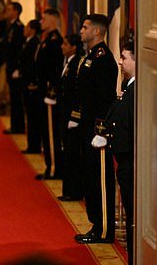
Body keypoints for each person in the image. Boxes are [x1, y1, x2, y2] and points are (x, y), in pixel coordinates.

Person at [72, 14, 118, 244]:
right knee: (90, 178)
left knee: (100, 179)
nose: (81, 30)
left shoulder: (103, 59)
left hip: (97, 130)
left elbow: (104, 99)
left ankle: (104, 229)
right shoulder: (90, 56)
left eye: (85, 27)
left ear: (98, 32)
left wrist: (101, 130)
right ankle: (96, 224)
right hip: (87, 127)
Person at [100, 40, 135, 263]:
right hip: (123, 158)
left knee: (132, 214)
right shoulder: (128, 86)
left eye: (124, 57)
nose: (120, 62)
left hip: (130, 160)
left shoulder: (136, 90)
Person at [35, 8, 64, 179]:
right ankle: (49, 165)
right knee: (45, 131)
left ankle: (54, 168)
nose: (41, 22)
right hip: (42, 91)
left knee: (51, 132)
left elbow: (55, 70)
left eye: (44, 19)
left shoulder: (55, 41)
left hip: (49, 93)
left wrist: (52, 92)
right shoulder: (47, 39)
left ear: (53, 20)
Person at [57, 34, 85, 202]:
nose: (63, 46)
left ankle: (74, 191)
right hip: (64, 113)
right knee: (67, 151)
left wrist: (75, 115)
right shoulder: (68, 62)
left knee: (73, 153)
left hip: (72, 116)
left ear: (74, 47)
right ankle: (68, 189)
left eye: (66, 44)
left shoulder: (77, 64)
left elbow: (76, 91)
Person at [19, 19, 42, 153]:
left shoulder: (34, 43)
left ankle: (34, 146)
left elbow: (33, 64)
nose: (24, 29)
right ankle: (31, 144)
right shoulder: (28, 41)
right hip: (25, 82)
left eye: (27, 27)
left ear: (32, 30)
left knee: (33, 117)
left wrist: (32, 82)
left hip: (30, 84)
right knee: (29, 115)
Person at [4, 2, 26, 134]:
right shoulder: (10, 27)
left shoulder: (19, 27)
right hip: (10, 67)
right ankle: (15, 125)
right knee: (13, 98)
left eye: (9, 10)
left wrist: (18, 68)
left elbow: (19, 50)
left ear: (16, 11)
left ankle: (18, 126)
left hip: (16, 69)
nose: (6, 12)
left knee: (17, 98)